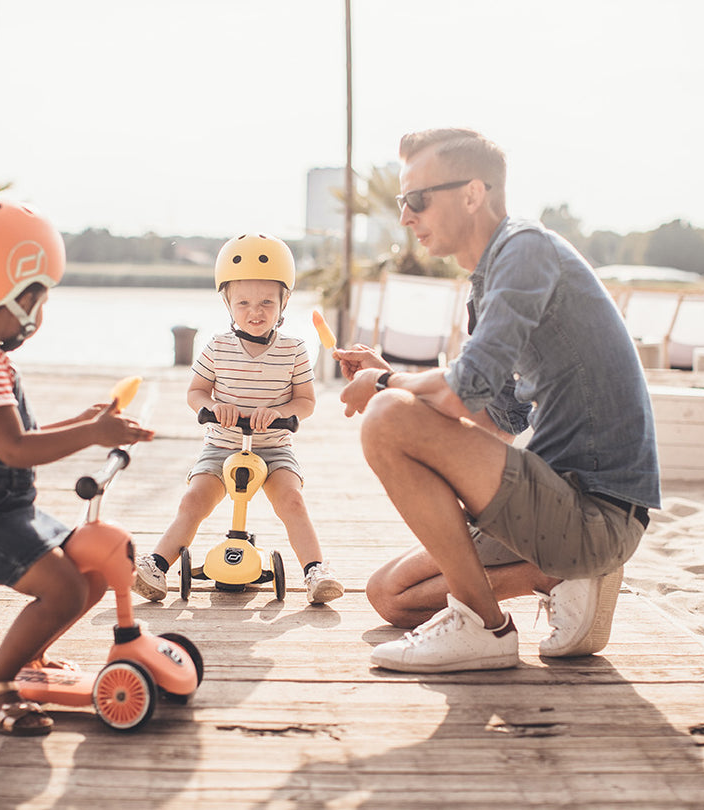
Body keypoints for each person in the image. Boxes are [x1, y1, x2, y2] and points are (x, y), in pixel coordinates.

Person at [334, 128, 659, 673]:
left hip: (597, 510)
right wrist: (391, 377)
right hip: (552, 501)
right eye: (402, 202)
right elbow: (497, 419)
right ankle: (550, 576)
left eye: (416, 199)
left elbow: (463, 388)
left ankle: (485, 628)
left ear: (471, 194)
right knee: (390, 597)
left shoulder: (525, 248)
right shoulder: (487, 283)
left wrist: (388, 389)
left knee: (387, 417)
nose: (406, 217)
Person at [0, 197, 156, 736]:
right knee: (67, 590)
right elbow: (14, 452)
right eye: (40, 300)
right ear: (16, 296)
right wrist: (93, 434)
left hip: (5, 512)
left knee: (89, 573)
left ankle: (32, 653)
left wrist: (80, 420)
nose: (41, 314)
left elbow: (18, 439)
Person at [133, 233, 344, 605]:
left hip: (274, 448)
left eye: (266, 302)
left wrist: (280, 413)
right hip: (221, 444)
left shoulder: (294, 350)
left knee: (292, 501)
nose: (255, 311)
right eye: (243, 302)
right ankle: (157, 565)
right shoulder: (217, 346)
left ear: (284, 302)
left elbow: (306, 401)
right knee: (194, 500)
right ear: (228, 303)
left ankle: (316, 570)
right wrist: (214, 408)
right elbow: (195, 392)